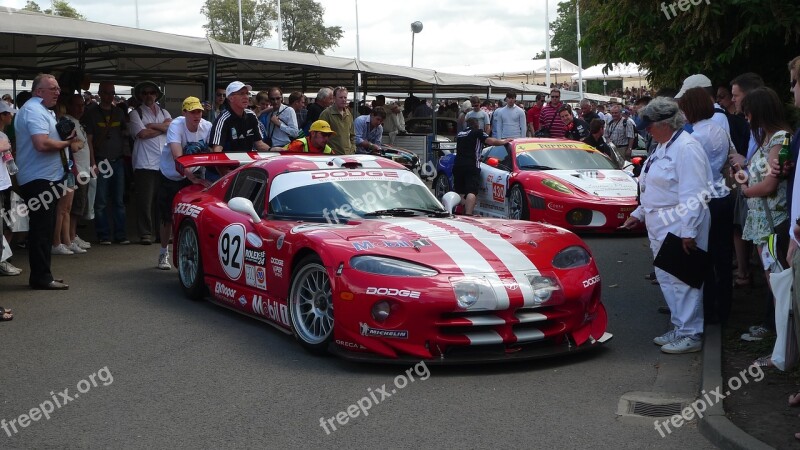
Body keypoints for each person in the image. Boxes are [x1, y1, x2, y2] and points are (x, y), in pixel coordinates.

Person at [620, 97, 713, 354]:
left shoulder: (686, 148)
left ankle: (691, 333)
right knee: (667, 278)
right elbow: (653, 186)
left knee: (683, 279)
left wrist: (688, 231)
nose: (646, 130)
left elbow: (694, 194)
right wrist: (639, 213)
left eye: (650, 125)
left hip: (679, 220)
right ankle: (681, 325)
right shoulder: (664, 146)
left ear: (666, 123)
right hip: (660, 221)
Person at [736, 87, 793, 353]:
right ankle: (781, 344)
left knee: (779, 284)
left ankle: (784, 347)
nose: (745, 117)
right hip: (762, 221)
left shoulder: (779, 139)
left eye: (748, 112)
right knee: (775, 281)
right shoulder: (767, 139)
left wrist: (746, 190)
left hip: (772, 222)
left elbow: (769, 184)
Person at [15, 73, 80, 290]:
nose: (58, 92)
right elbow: (41, 144)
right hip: (38, 178)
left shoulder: (43, 110)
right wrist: (66, 143)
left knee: (46, 226)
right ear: (38, 91)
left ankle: (44, 274)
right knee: (41, 228)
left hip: (46, 177)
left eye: (58, 88)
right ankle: (41, 277)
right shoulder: (34, 110)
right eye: (52, 88)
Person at [678, 86, 734, 324]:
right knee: (723, 255)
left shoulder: (693, 136)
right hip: (722, 192)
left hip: (705, 197)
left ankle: (709, 308)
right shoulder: (719, 129)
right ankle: (725, 307)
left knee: (705, 255)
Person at [156, 97, 213, 270]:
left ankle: (186, 254)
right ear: (184, 113)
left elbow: (213, 152)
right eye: (193, 112)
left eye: (199, 111)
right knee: (167, 217)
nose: (197, 115)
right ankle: (163, 252)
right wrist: (193, 178)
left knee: (189, 216)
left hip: (192, 175)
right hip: (170, 175)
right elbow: (178, 157)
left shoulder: (207, 127)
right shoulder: (176, 125)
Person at [83, 80, 129, 245]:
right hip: (101, 161)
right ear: (100, 93)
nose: (110, 96)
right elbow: (88, 140)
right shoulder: (91, 113)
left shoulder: (119, 113)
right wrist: (92, 163)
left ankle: (120, 234)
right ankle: (103, 235)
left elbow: (125, 131)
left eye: (112, 92)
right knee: (100, 201)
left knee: (119, 201)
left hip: (118, 161)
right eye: (107, 92)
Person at [129, 81, 172, 245]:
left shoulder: (164, 111)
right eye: (145, 93)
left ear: (156, 94)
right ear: (140, 95)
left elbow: (170, 127)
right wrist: (162, 128)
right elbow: (142, 134)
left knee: (161, 201)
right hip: (144, 163)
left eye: (151, 92)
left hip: (162, 162)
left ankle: (161, 233)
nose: (148, 95)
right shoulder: (135, 113)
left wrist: (153, 125)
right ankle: (145, 233)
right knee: (145, 201)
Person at [453, 118, 508, 216]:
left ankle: (460, 212)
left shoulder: (460, 134)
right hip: (471, 165)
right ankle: (469, 215)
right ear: (477, 125)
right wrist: (503, 141)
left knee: (460, 191)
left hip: (458, 165)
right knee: (471, 191)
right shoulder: (477, 132)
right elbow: (490, 141)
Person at [63, 94, 93, 252]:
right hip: (77, 171)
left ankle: (73, 235)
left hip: (84, 169)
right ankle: (71, 236)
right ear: (69, 106)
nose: (81, 109)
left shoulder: (77, 122)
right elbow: (71, 145)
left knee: (78, 207)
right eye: (77, 105)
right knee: (74, 208)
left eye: (82, 105)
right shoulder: (67, 122)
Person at [209, 81, 270, 154]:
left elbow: (259, 144)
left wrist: (274, 150)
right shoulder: (223, 119)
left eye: (247, 93)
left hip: (248, 163)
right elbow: (217, 151)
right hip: (229, 164)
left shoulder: (251, 115)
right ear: (231, 98)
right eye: (241, 94)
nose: (246, 97)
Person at [0, 104, 22, 277]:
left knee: (8, 223)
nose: (11, 117)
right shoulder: (3, 138)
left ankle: (3, 260)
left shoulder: (4, 135)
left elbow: (9, 160)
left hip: (5, 184)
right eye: (8, 114)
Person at [319, 86, 355, 155]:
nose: (344, 100)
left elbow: (352, 135)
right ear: (334, 98)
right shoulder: (326, 114)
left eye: (345, 97)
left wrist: (353, 149)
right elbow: (321, 136)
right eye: (341, 97)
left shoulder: (349, 114)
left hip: (348, 155)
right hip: (331, 155)